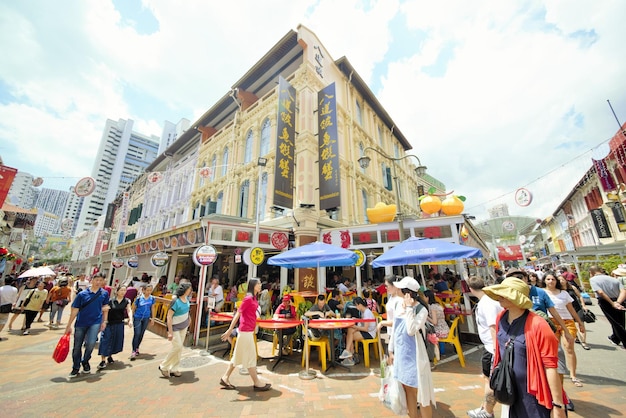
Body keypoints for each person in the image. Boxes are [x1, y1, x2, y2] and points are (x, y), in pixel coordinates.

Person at [483, 277, 567, 418]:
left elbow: (550, 366)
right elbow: (500, 353)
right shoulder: (501, 317)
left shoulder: (538, 324)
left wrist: (557, 405)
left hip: (533, 393)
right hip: (509, 388)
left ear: (516, 297)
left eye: (504, 293)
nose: (499, 297)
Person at [387, 277, 436, 418]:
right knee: (408, 389)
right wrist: (391, 350)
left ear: (407, 292)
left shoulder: (421, 310)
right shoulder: (398, 305)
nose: (397, 290)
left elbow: (411, 329)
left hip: (415, 354)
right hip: (402, 353)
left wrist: (408, 308)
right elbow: (396, 329)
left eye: (400, 288)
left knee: (422, 392)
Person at [220, 278, 271, 391]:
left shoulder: (253, 297)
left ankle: (225, 377)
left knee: (239, 356)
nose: (260, 285)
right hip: (245, 331)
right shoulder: (248, 298)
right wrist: (229, 330)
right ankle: (257, 382)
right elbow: (238, 313)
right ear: (253, 285)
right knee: (250, 357)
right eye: (258, 284)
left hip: (248, 330)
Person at [467, 276, 504, 418]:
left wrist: (496, 350)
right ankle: (484, 408)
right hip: (491, 347)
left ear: (470, 289)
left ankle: (488, 412)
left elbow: (493, 327)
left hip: (492, 347)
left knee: (490, 380)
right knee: (488, 378)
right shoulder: (489, 300)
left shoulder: (486, 303)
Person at [64, 273, 110, 378]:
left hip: (95, 322)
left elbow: (106, 307)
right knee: (77, 346)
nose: (98, 282)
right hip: (81, 323)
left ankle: (85, 361)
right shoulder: (82, 294)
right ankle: (75, 366)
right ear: (92, 280)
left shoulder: (104, 293)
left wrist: (105, 321)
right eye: (96, 280)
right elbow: (74, 310)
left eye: (101, 280)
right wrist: (68, 325)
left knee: (90, 344)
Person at [159, 282, 191, 378]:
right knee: (177, 346)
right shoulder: (175, 301)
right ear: (185, 290)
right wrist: (170, 331)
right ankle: (164, 366)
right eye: (189, 289)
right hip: (175, 327)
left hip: (184, 326)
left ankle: (174, 368)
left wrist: (189, 319)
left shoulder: (186, 299)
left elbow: (187, 310)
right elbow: (169, 317)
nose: (190, 291)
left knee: (180, 347)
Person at [589, 265, 626, 348]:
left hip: (606, 301)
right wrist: (618, 302)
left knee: (615, 322)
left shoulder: (593, 280)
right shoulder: (613, 278)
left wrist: (612, 303)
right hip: (618, 299)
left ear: (591, 272)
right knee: (620, 320)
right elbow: (623, 291)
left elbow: (600, 292)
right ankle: (615, 338)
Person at [97, 285, 133, 369]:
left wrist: (130, 320)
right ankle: (102, 360)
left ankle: (109, 355)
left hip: (119, 323)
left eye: (124, 290)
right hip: (109, 323)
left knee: (115, 340)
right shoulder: (111, 301)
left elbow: (129, 310)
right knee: (105, 340)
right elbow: (105, 310)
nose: (123, 292)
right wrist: (104, 321)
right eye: (121, 290)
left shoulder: (126, 301)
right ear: (117, 291)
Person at [339, 297, 377, 366]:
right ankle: (349, 355)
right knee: (350, 331)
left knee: (350, 334)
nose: (356, 307)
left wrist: (355, 327)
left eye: (356, 305)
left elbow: (365, 328)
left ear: (359, 304)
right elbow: (363, 322)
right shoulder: (364, 312)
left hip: (369, 333)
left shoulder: (367, 313)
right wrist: (356, 319)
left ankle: (349, 355)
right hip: (367, 331)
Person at [131, 284, 156, 360]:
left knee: (141, 333)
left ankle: (137, 347)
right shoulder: (139, 298)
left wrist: (153, 318)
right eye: (147, 290)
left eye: (150, 290)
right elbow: (134, 308)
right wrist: (130, 317)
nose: (149, 292)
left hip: (146, 318)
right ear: (143, 290)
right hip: (138, 317)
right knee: (137, 333)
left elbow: (153, 308)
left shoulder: (152, 298)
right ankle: (133, 350)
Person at [0, 277, 18, 341]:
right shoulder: (14, 289)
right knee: (3, 321)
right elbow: (14, 300)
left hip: (0, 305)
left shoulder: (1, 289)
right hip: (7, 307)